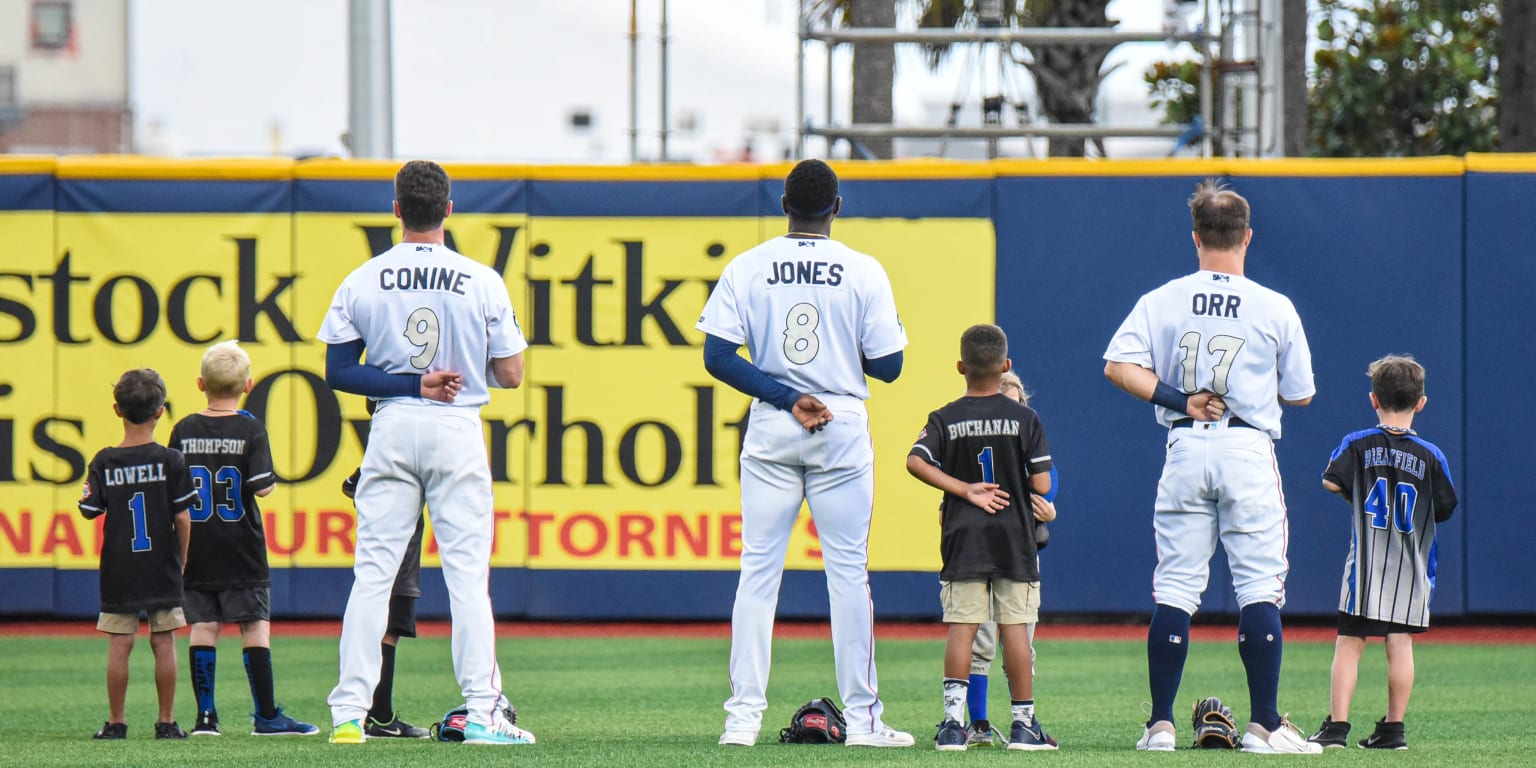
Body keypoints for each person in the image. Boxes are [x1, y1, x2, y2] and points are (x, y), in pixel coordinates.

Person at [698, 158, 913, 748]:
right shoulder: (863, 269)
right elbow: (891, 367)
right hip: (840, 420)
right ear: (836, 207)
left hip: (774, 420)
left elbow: (717, 357)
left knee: (758, 572)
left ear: (785, 205)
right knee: (847, 574)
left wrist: (789, 396)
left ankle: (741, 721)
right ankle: (865, 721)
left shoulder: (749, 265)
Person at [318, 159, 533, 746]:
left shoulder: (364, 277)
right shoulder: (481, 278)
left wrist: (410, 382)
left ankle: (348, 715)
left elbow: (339, 372)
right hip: (456, 426)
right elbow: (512, 374)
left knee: (372, 575)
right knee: (467, 578)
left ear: (395, 210)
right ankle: (484, 711)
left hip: (392, 426)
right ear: (448, 210)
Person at [1103, 179, 1319, 754]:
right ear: (1247, 236)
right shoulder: (1274, 304)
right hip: (1246, 447)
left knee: (1175, 585)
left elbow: (1119, 366)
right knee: (1258, 586)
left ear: (1196, 237)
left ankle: (1161, 726)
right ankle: (1265, 725)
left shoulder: (1165, 297)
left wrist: (1182, 399)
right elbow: (1300, 394)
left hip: (1186, 441)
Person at [907, 324, 1058, 751]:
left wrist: (964, 488)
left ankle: (954, 724)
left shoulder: (945, 416)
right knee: (1014, 628)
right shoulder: (1026, 417)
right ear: (1006, 366)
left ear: (961, 367)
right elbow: (1042, 484)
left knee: (962, 628)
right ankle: (1023, 724)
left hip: (964, 536)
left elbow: (916, 462)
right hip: (1014, 537)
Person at [1307, 355, 1457, 751]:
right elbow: (1445, 507)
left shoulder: (1357, 443)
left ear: (1373, 399)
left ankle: (1337, 728)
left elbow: (1329, 482)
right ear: (1421, 402)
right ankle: (1393, 730)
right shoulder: (1431, 455)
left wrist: (1360, 493)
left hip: (1366, 567)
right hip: (1411, 568)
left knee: (1349, 642)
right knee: (1400, 642)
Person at [171, 341, 319, 737]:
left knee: (203, 626)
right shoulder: (250, 427)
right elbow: (263, 487)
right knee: (254, 627)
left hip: (196, 547)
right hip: (242, 547)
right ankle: (267, 716)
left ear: (200, 383)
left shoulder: (183, 428)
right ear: (248, 384)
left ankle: (206, 718)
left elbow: (173, 490)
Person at [78, 369, 196, 740]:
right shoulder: (171, 460)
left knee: (120, 642)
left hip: (119, 565)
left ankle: (116, 722)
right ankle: (166, 721)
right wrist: (182, 558)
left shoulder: (104, 460)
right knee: (164, 641)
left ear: (117, 409)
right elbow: (183, 517)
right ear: (161, 411)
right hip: (161, 562)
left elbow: (89, 509)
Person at [963, 370, 1058, 748]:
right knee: (984, 642)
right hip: (994, 555)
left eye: (1017, 402)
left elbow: (1048, 497)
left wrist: (1049, 511)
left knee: (1016, 642)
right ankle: (980, 724)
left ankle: (1022, 719)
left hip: (1014, 554)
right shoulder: (978, 450)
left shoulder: (1031, 447)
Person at [341, 423, 431, 740]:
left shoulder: (383, 453)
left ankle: (375, 713)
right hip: (397, 557)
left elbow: (350, 485)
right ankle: (378, 716)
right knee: (388, 631)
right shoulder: (405, 450)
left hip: (386, 554)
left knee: (385, 628)